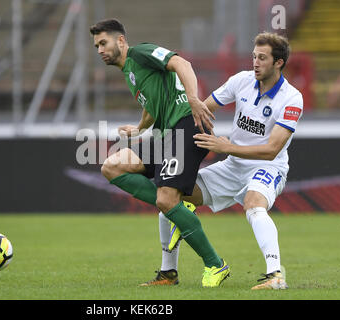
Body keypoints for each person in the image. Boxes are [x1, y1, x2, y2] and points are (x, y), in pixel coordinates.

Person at [89, 18, 230, 288]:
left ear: (120, 40)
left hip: (186, 125)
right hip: (165, 134)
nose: (99, 50)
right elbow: (153, 103)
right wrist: (140, 127)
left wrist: (193, 99)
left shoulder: (139, 53)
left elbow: (182, 64)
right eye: (96, 45)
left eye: (103, 43)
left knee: (167, 201)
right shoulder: (129, 71)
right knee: (112, 166)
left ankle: (215, 264)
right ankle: (179, 211)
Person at [159, 32, 303, 290]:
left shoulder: (292, 98)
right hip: (232, 165)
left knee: (254, 205)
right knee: (170, 195)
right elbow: (202, 111)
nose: (255, 63)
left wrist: (227, 146)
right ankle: (168, 272)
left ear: (278, 62)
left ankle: (276, 276)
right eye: (254, 57)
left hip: (268, 167)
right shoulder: (241, 81)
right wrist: (200, 131)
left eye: (262, 58)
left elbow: (271, 150)